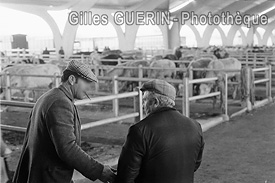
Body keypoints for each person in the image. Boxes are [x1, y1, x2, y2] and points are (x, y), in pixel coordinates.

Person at [13, 60, 116, 183]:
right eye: (87, 82)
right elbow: (67, 148)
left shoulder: (50, 96)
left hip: (44, 173)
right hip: (49, 177)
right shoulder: (60, 103)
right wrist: (99, 171)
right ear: (72, 79)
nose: (89, 87)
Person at [115, 79, 204, 183]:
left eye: (144, 101)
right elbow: (195, 165)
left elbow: (125, 177)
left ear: (155, 102)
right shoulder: (195, 126)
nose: (143, 105)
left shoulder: (140, 130)